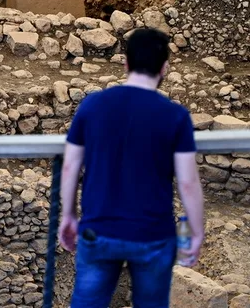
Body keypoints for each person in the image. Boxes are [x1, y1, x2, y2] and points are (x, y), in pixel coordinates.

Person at [58, 28, 205, 308]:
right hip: (153, 234)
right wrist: (196, 232)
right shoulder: (176, 116)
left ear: (126, 64)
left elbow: (70, 166)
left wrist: (68, 215)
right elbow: (188, 182)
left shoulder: (92, 105)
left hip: (98, 229)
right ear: (164, 68)